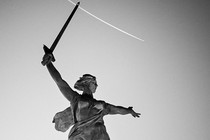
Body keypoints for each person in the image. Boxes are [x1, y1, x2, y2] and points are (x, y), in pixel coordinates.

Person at [42, 53, 141, 140]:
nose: (96, 86)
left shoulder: (102, 105)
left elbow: (117, 110)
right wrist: (49, 64)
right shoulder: (76, 99)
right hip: (79, 136)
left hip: (98, 136)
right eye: (95, 83)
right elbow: (60, 82)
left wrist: (128, 111)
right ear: (87, 83)